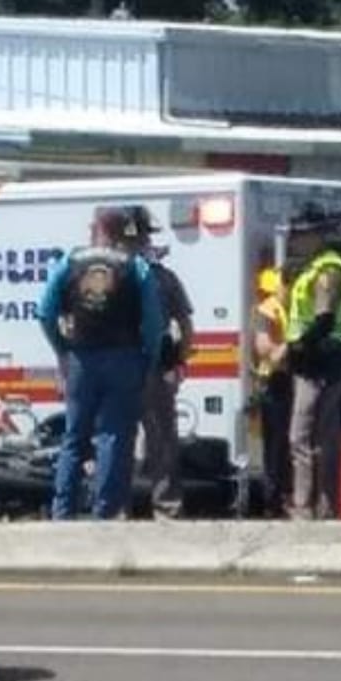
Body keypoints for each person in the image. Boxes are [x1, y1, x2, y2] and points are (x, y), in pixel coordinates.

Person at [37, 207, 164, 520]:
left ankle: (62, 510)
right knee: (113, 436)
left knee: (74, 437)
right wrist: (150, 358)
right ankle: (104, 511)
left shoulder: (69, 263)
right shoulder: (136, 267)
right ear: (123, 233)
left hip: (80, 357)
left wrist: (61, 349)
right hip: (124, 357)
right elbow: (152, 322)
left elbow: (44, 312)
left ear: (95, 229)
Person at [278, 205, 341, 520]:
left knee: (303, 435)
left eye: (300, 234)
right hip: (318, 358)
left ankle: (305, 506)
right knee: (321, 435)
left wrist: (297, 346)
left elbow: (324, 318)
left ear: (317, 236)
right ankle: (324, 506)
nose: (294, 240)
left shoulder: (328, 270)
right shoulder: (313, 268)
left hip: (321, 360)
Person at [117, 205, 195, 521]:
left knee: (124, 440)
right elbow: (186, 324)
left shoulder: (107, 279)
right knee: (157, 440)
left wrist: (179, 361)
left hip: (126, 368)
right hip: (149, 369)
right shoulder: (161, 277)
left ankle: (117, 509)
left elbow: (185, 323)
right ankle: (166, 508)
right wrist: (180, 362)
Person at [250, 265, 293, 517]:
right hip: (274, 381)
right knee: (276, 445)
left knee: (284, 443)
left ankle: (280, 496)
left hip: (285, 379)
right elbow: (264, 348)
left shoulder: (284, 308)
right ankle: (272, 500)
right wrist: (290, 344)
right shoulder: (268, 310)